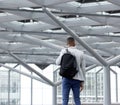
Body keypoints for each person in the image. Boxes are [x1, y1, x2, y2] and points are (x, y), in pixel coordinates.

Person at [56, 37, 86, 105]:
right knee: (77, 99)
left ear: (67, 43)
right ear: (75, 43)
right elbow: (83, 69)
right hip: (77, 79)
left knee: (65, 99)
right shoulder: (81, 53)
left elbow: (57, 62)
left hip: (66, 78)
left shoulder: (64, 51)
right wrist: (83, 81)